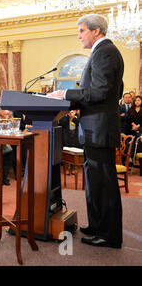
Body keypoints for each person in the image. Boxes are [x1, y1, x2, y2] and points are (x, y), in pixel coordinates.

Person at [47, 14, 124, 249]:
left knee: (104, 184)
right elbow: (113, 91)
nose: (79, 35)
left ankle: (109, 235)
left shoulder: (105, 52)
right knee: (96, 181)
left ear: (97, 31)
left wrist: (65, 95)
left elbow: (100, 92)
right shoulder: (103, 53)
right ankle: (98, 226)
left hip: (98, 129)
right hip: (95, 128)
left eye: (81, 31)